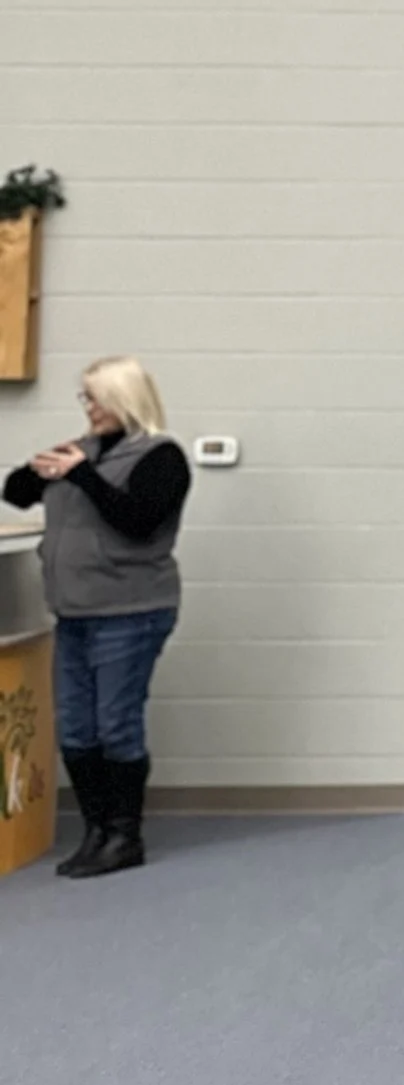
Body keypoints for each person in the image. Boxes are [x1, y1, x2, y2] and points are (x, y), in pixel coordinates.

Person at [3, 355, 190, 878]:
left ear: (125, 398)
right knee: (77, 730)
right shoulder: (78, 452)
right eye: (85, 397)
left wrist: (82, 475)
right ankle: (96, 832)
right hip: (75, 613)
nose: (88, 408)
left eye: (96, 397)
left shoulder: (160, 458)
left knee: (115, 726)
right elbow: (15, 493)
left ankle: (125, 836)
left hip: (132, 611)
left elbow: (136, 522)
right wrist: (40, 470)